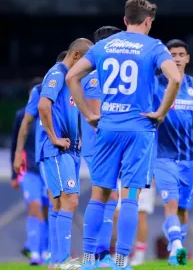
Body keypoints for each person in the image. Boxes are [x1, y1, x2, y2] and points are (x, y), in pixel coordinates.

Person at [65, 0, 182, 269]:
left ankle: (89, 261)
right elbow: (175, 78)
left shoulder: (104, 46)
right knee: (130, 195)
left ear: (125, 20)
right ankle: (120, 261)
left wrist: (88, 114)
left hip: (107, 127)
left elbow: (72, 77)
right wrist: (161, 112)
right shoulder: (154, 46)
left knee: (99, 194)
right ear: (148, 21)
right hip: (139, 128)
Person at [38, 39, 93, 269]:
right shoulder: (57, 73)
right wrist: (54, 138)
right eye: (89, 63)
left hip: (70, 150)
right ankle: (61, 260)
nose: (90, 68)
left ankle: (56, 260)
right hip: (58, 150)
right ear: (77, 56)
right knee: (69, 200)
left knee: (62, 203)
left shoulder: (72, 79)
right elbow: (43, 105)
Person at [153, 39, 193, 266]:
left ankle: (177, 252)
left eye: (180, 54)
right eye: (172, 54)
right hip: (163, 156)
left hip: (189, 158)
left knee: (184, 209)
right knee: (171, 204)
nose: (176, 58)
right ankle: (176, 245)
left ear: (187, 58)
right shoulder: (154, 84)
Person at [79, 25, 123, 268]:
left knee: (109, 197)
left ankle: (99, 254)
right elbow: (96, 116)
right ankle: (97, 254)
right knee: (107, 196)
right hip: (100, 145)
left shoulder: (104, 73)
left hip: (105, 145)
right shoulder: (96, 76)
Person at [11, 78, 50, 266]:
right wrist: (14, 174)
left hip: (48, 171)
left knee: (48, 210)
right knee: (34, 209)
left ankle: (47, 251)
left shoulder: (49, 114)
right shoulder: (22, 116)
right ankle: (35, 252)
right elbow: (14, 145)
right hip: (30, 172)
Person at [113, 179, 156, 267]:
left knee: (140, 215)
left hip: (142, 176)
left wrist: (154, 174)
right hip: (123, 175)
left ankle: (139, 254)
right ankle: (121, 252)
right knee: (118, 214)